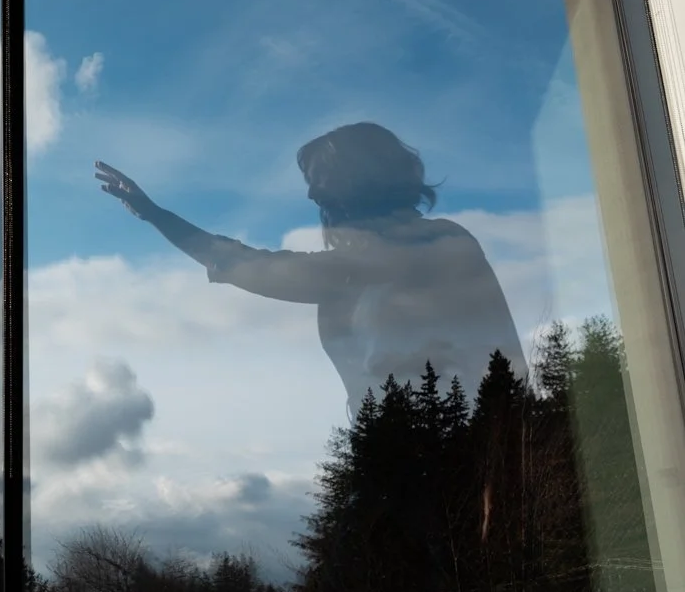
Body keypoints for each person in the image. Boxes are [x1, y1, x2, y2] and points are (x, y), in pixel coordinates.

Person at [95, 121, 525, 419]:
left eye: (323, 178)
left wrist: (156, 215)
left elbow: (260, 268)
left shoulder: (417, 248)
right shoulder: (399, 252)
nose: (312, 194)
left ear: (363, 178)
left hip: (448, 461)